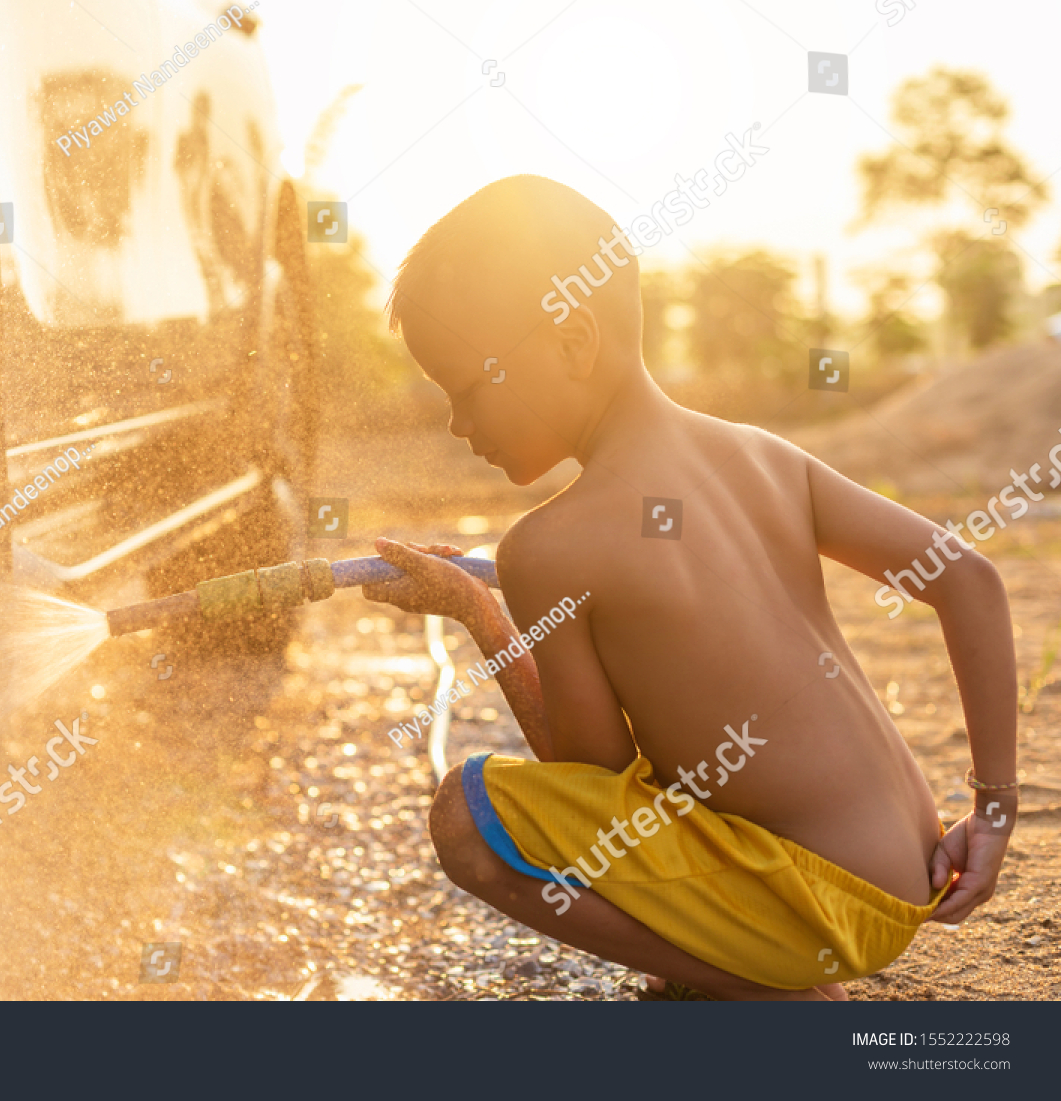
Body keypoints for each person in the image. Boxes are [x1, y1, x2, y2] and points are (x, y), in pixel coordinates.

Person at [361, 175, 1018, 1000]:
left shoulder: (547, 549)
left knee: (466, 820)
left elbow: (591, 780)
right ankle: (762, 959)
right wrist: (993, 808)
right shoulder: (763, 454)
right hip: (904, 865)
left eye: (468, 389)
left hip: (809, 903)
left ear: (572, 341)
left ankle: (760, 988)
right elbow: (969, 578)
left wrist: (481, 612)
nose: (459, 424)